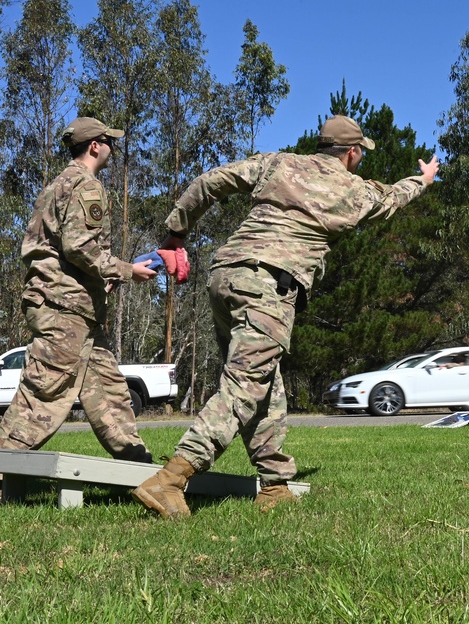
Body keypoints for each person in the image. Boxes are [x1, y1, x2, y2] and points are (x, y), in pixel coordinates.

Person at [133, 115, 439, 518]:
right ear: (352, 152)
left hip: (226, 275)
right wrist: (424, 179)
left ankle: (274, 485)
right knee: (245, 386)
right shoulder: (353, 189)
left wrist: (177, 233)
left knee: (265, 383)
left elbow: (210, 181)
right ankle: (171, 479)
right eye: (360, 153)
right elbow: (394, 199)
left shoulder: (277, 162)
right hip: (269, 286)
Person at [0, 117, 157, 478]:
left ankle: (142, 471)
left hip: (77, 309)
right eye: (109, 142)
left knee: (111, 393)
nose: (113, 149)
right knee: (43, 398)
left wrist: (102, 281)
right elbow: (78, 246)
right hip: (64, 309)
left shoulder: (57, 184)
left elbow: (62, 249)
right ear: (94, 146)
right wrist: (126, 270)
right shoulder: (87, 186)